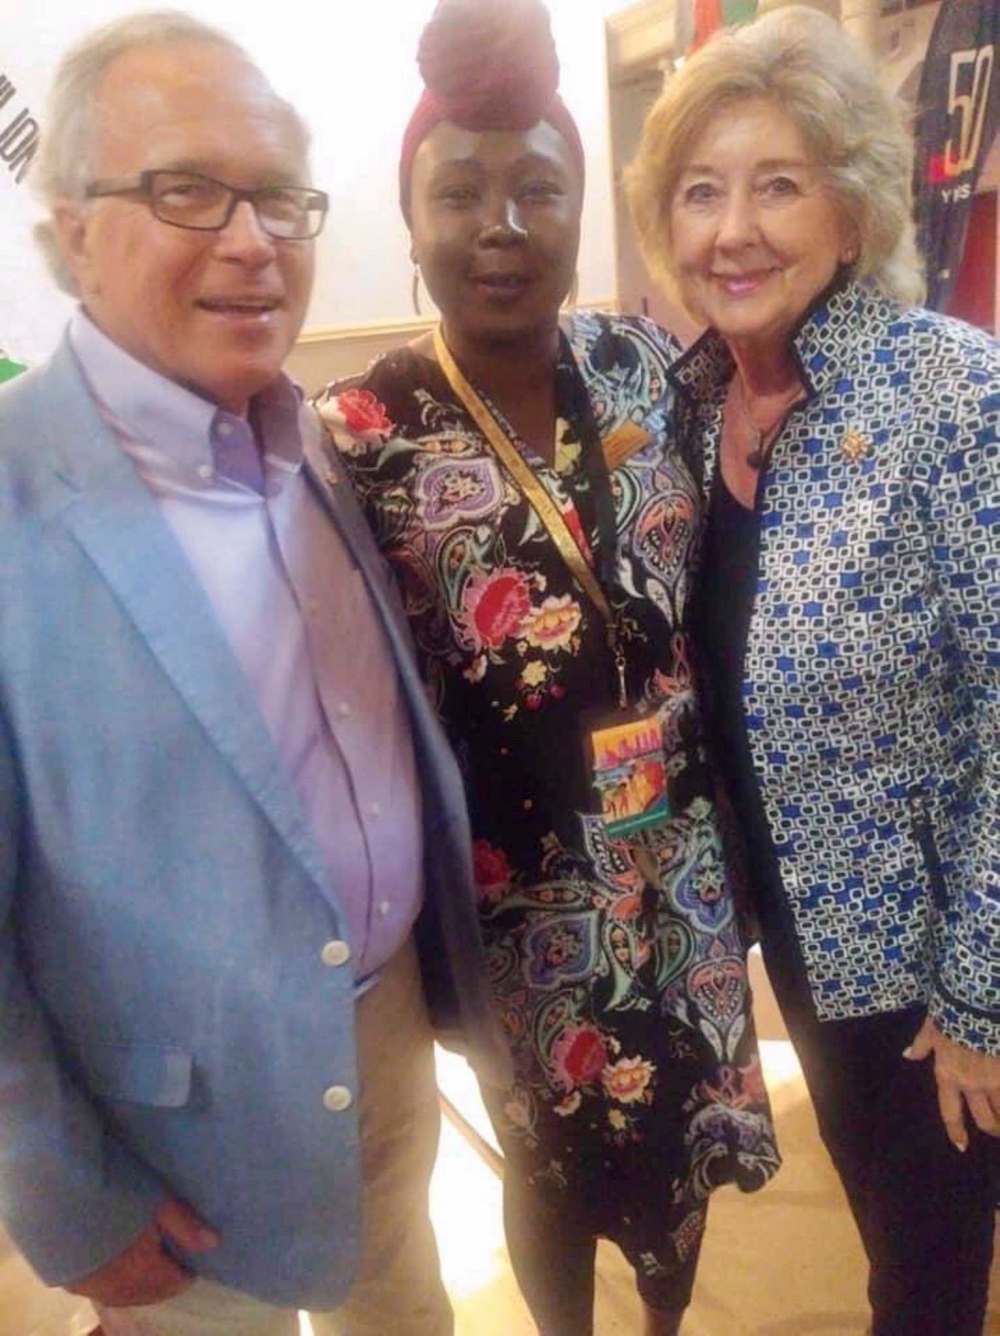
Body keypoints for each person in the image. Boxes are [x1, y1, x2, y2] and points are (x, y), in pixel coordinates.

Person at [0, 12, 508, 1336]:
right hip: (164, 1129)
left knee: (403, 1301)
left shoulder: (313, 439)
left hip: (385, 1036)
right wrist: (62, 1196)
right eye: (186, 188)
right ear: (69, 228)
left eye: (281, 196)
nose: (252, 239)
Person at [317, 3, 779, 1333]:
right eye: (457, 191)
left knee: (682, 1141)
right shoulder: (360, 438)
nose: (500, 225)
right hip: (517, 903)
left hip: (681, 864)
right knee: (551, 1167)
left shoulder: (644, 365)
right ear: (409, 220)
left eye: (537, 187)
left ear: (585, 207)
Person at [626, 7, 999, 1334]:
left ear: (852, 209)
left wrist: (980, 1002)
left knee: (930, 1270)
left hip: (928, 968)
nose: (733, 228)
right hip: (797, 946)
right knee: (885, 1224)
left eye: (778, 184)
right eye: (702, 190)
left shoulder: (947, 394)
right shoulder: (676, 405)